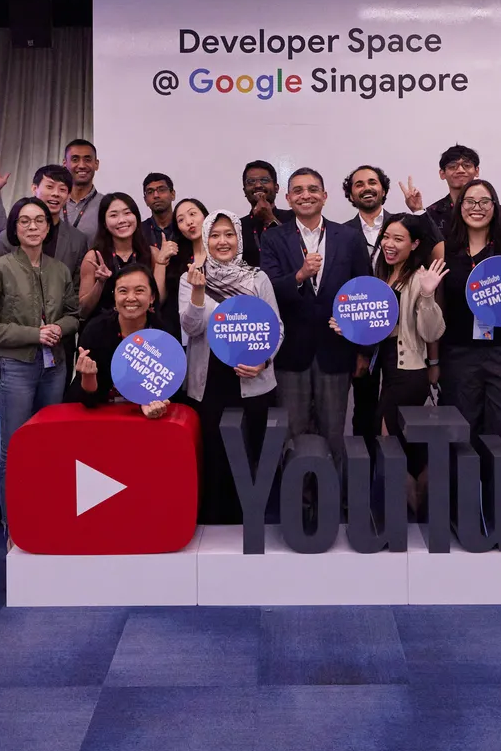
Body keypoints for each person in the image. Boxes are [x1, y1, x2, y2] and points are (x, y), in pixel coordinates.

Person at [0, 195, 80, 532]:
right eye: (25, 221)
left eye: (39, 221)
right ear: (14, 229)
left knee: (50, 442)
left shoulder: (59, 269)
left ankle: (47, 511)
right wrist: (33, 334)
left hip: (56, 367)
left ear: (49, 227)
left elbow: (74, 314)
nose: (33, 227)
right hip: (17, 366)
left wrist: (60, 328)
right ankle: (13, 521)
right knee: (15, 445)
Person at [259, 168, 374, 455]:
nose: (305, 195)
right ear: (287, 198)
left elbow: (365, 292)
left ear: (324, 196)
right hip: (290, 354)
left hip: (336, 351)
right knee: (293, 434)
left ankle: (332, 498)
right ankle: (298, 499)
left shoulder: (349, 237)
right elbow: (268, 288)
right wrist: (299, 275)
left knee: (333, 432)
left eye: (312, 189)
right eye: (297, 190)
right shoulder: (273, 238)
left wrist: (364, 350)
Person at [179, 213, 281, 523]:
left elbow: (276, 326)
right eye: (215, 235)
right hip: (209, 381)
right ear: (205, 240)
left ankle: (254, 520)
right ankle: (215, 519)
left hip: (251, 378)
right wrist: (198, 293)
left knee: (252, 450)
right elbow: (191, 328)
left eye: (229, 235)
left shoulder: (256, 278)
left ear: (239, 238)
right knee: (214, 451)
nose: (222, 241)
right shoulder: (191, 277)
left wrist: (263, 360)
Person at [433, 178, 501, 444]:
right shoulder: (443, 250)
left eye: (484, 201)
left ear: (494, 207)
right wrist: (434, 361)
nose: (477, 207)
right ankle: (462, 487)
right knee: (460, 431)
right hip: (458, 352)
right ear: (459, 207)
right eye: (470, 201)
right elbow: (436, 313)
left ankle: (500, 487)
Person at [369, 216, 447, 506]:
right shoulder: (383, 274)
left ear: (414, 244)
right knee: (405, 447)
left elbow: (431, 332)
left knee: (389, 439)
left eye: (398, 239)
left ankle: (413, 511)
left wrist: (427, 296)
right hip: (389, 370)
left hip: (409, 373)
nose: (389, 244)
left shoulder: (418, 277)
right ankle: (417, 513)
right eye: (386, 237)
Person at [70, 263, 175, 413]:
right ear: (114, 296)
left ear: (152, 297)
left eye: (139, 291)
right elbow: (87, 399)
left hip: (148, 414)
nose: (130, 298)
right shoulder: (96, 330)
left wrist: (148, 402)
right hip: (100, 412)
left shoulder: (163, 333)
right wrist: (88, 377)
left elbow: (170, 386)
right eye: (123, 291)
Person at [344, 164, 400, 440]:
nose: (366, 188)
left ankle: (396, 478)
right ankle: (364, 476)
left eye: (372, 182)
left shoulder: (402, 226)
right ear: (350, 194)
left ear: (383, 189)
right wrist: (359, 348)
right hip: (359, 338)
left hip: (398, 336)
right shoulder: (340, 233)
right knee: (363, 410)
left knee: (396, 410)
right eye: (358, 184)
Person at [80, 191, 172, 317]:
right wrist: (100, 283)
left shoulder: (152, 253)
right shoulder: (94, 257)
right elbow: (83, 310)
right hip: (103, 329)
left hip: (142, 329)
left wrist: (160, 263)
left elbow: (158, 301)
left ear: (136, 217)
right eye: (113, 215)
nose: (122, 220)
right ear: (104, 223)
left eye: (127, 213)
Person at [0, 164, 90, 276]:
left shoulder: (77, 240)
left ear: (68, 196)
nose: (56, 193)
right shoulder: (9, 236)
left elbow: (77, 287)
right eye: (50, 187)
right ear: (34, 189)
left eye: (62, 189)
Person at [400, 144, 481, 242]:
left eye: (467, 166)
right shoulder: (432, 213)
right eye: (452, 166)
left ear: (477, 171)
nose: (460, 170)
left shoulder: (491, 209)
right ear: (442, 174)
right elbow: (428, 245)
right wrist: (417, 210)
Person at [158, 196, 210, 331]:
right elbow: (158, 299)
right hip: (182, 330)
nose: (189, 222)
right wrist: (160, 261)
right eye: (181, 220)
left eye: (193, 214)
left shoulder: (222, 252)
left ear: (205, 216)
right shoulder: (177, 260)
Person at [238, 160, 282, 265]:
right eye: (251, 182)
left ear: (276, 188)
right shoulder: (237, 226)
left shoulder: (293, 217)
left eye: (264, 180)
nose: (258, 185)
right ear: (244, 191)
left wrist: (270, 219)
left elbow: (295, 252)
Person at [60, 139, 105, 235]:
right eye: (75, 160)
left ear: (96, 164)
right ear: (65, 164)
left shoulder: (106, 205)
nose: (81, 165)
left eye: (87, 160)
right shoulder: (54, 202)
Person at [140, 172, 177, 249]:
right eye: (150, 192)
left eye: (162, 190)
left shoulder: (184, 226)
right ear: (145, 200)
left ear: (173, 194)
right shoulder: (139, 231)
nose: (156, 195)